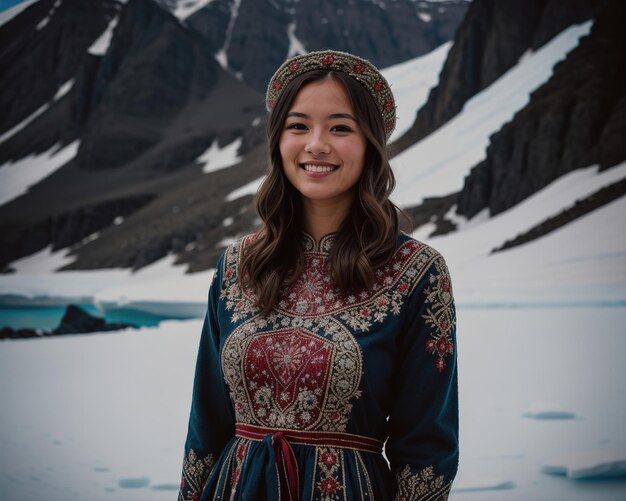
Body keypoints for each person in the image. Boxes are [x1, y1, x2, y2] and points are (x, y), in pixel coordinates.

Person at [178, 50, 458, 501]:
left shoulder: (417, 272)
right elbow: (206, 423)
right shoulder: (237, 266)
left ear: (370, 144)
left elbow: (427, 447)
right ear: (278, 139)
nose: (317, 145)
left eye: (341, 128)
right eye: (299, 125)